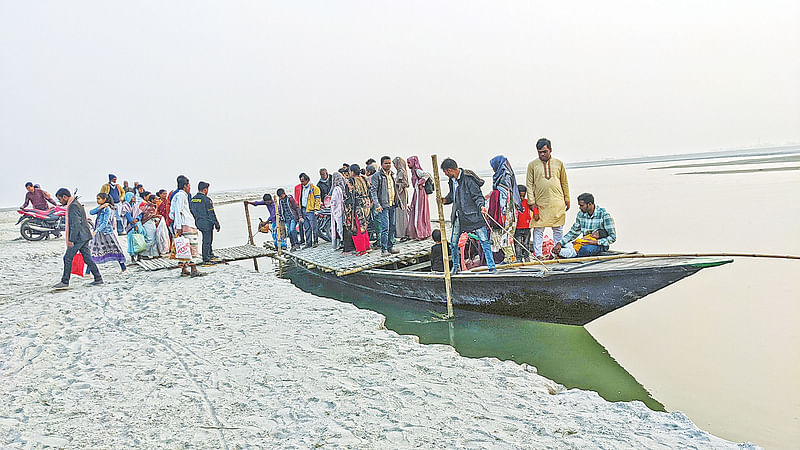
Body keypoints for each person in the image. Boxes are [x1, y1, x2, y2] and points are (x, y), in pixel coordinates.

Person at [441, 158, 496, 273]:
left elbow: (478, 196)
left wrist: (481, 206)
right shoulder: (452, 181)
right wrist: (445, 200)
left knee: (484, 241)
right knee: (454, 243)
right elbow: (453, 195)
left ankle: (492, 267)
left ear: (450, 170)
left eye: (445, 172)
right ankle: (455, 267)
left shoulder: (468, 179)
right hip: (459, 216)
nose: (445, 174)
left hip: (473, 216)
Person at [526, 138, 570, 259]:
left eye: (545, 151)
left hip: (557, 202)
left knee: (558, 229)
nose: (542, 154)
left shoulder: (558, 163)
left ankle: (558, 253)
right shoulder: (532, 165)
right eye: (540, 152)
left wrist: (567, 199)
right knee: (538, 229)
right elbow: (529, 184)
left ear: (550, 150)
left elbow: (564, 182)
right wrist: (531, 202)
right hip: (540, 203)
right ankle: (538, 255)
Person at [52, 188, 102, 289]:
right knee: (87, 258)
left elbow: (75, 225)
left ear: (65, 197)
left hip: (79, 236)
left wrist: (71, 240)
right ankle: (98, 278)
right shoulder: (76, 203)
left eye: (60, 199)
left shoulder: (73, 206)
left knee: (67, 257)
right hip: (84, 235)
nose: (60, 202)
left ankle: (65, 281)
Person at [553, 193, 617, 257]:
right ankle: (568, 253)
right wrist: (560, 243)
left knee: (585, 250)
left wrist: (596, 242)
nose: (580, 208)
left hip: (599, 245)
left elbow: (613, 237)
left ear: (589, 204)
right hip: (584, 242)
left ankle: (571, 254)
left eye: (582, 205)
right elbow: (573, 232)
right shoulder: (580, 214)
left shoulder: (604, 215)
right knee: (563, 245)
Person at [488, 155, 522, 263]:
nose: (493, 169)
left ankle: (511, 259)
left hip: (507, 211)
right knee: (503, 235)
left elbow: (505, 197)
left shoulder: (504, 177)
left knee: (507, 236)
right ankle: (508, 258)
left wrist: (502, 212)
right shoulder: (503, 176)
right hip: (507, 211)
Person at [169, 175, 200, 277]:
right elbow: (178, 211)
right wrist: (179, 227)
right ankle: (193, 269)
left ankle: (184, 269)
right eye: (189, 186)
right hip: (186, 224)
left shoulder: (177, 195)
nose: (190, 188)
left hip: (182, 224)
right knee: (191, 246)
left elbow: (172, 213)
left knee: (183, 247)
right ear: (185, 186)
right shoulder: (181, 195)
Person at [88, 192, 127, 271]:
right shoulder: (101, 208)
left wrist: (96, 231)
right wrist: (100, 207)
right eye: (97, 199)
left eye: (99, 199)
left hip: (107, 232)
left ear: (104, 199)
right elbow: (91, 212)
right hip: (98, 232)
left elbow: (105, 223)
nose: (97, 200)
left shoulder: (108, 209)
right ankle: (88, 272)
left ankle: (123, 267)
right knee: (93, 251)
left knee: (115, 249)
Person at [370, 156, 401, 255]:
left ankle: (390, 247)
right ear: (382, 164)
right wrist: (377, 204)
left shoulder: (391, 175)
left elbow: (394, 189)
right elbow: (373, 191)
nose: (388, 165)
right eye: (386, 163)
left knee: (392, 226)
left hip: (392, 204)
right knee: (385, 228)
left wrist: (400, 202)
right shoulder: (377, 176)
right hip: (383, 205)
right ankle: (384, 249)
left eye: (389, 163)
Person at [190, 181, 221, 264]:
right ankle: (206, 258)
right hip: (207, 223)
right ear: (205, 189)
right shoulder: (206, 200)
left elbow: (192, 211)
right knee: (207, 240)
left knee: (207, 239)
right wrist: (217, 224)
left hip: (198, 222)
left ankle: (210, 254)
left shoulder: (193, 199)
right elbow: (211, 213)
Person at [344, 164, 372, 255]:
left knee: (357, 227)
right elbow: (370, 191)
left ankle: (361, 249)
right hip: (366, 204)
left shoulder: (351, 181)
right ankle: (367, 246)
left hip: (357, 206)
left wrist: (347, 209)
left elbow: (348, 196)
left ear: (351, 172)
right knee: (364, 226)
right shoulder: (364, 179)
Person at [405, 156, 432, 240]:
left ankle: (420, 233)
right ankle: (421, 232)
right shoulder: (414, 171)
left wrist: (420, 183)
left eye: (409, 163)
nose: (408, 165)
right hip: (418, 193)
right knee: (419, 212)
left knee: (418, 212)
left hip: (420, 193)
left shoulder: (417, 171)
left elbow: (426, 175)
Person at [297, 173, 322, 248]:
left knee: (314, 226)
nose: (301, 183)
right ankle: (308, 243)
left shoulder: (315, 188)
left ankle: (315, 241)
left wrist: (316, 209)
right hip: (304, 209)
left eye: (303, 181)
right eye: (301, 181)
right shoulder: (302, 188)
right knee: (307, 227)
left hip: (311, 210)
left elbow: (317, 199)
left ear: (307, 180)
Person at [137, 193, 162, 259]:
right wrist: (157, 216)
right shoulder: (150, 206)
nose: (157, 200)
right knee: (150, 239)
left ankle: (155, 254)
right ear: (152, 200)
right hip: (147, 223)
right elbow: (149, 215)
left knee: (153, 239)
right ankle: (143, 254)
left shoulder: (151, 205)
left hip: (151, 223)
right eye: (156, 199)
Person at [514, 185, 535, 262]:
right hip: (517, 227)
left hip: (527, 226)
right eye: (520, 196)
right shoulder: (514, 203)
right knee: (518, 244)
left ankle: (526, 257)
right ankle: (519, 259)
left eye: (523, 196)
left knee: (526, 243)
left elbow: (533, 210)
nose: (522, 198)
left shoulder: (527, 202)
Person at [393, 157, 410, 241]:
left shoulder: (401, 172)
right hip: (400, 194)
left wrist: (397, 185)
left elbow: (405, 184)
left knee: (401, 214)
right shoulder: (400, 172)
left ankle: (403, 233)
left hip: (401, 194)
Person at [329, 171, 346, 251]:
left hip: (337, 211)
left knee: (338, 228)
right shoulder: (345, 186)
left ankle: (341, 243)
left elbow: (334, 202)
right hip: (344, 210)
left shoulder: (336, 189)